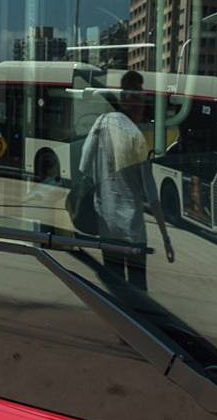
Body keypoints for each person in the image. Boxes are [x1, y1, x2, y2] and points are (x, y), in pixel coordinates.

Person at [72, 70, 175, 288]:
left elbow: (84, 166)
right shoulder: (136, 137)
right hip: (133, 232)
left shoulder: (101, 123)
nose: (140, 105)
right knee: (138, 292)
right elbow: (152, 195)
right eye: (138, 98)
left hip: (107, 225)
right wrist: (166, 237)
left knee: (115, 289)